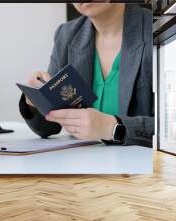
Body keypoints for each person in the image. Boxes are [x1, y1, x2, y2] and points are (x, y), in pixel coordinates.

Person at [19, 3, 154, 147]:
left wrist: (112, 128)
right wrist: (35, 100)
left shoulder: (159, 26)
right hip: (82, 163)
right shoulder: (66, 35)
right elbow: (50, 127)